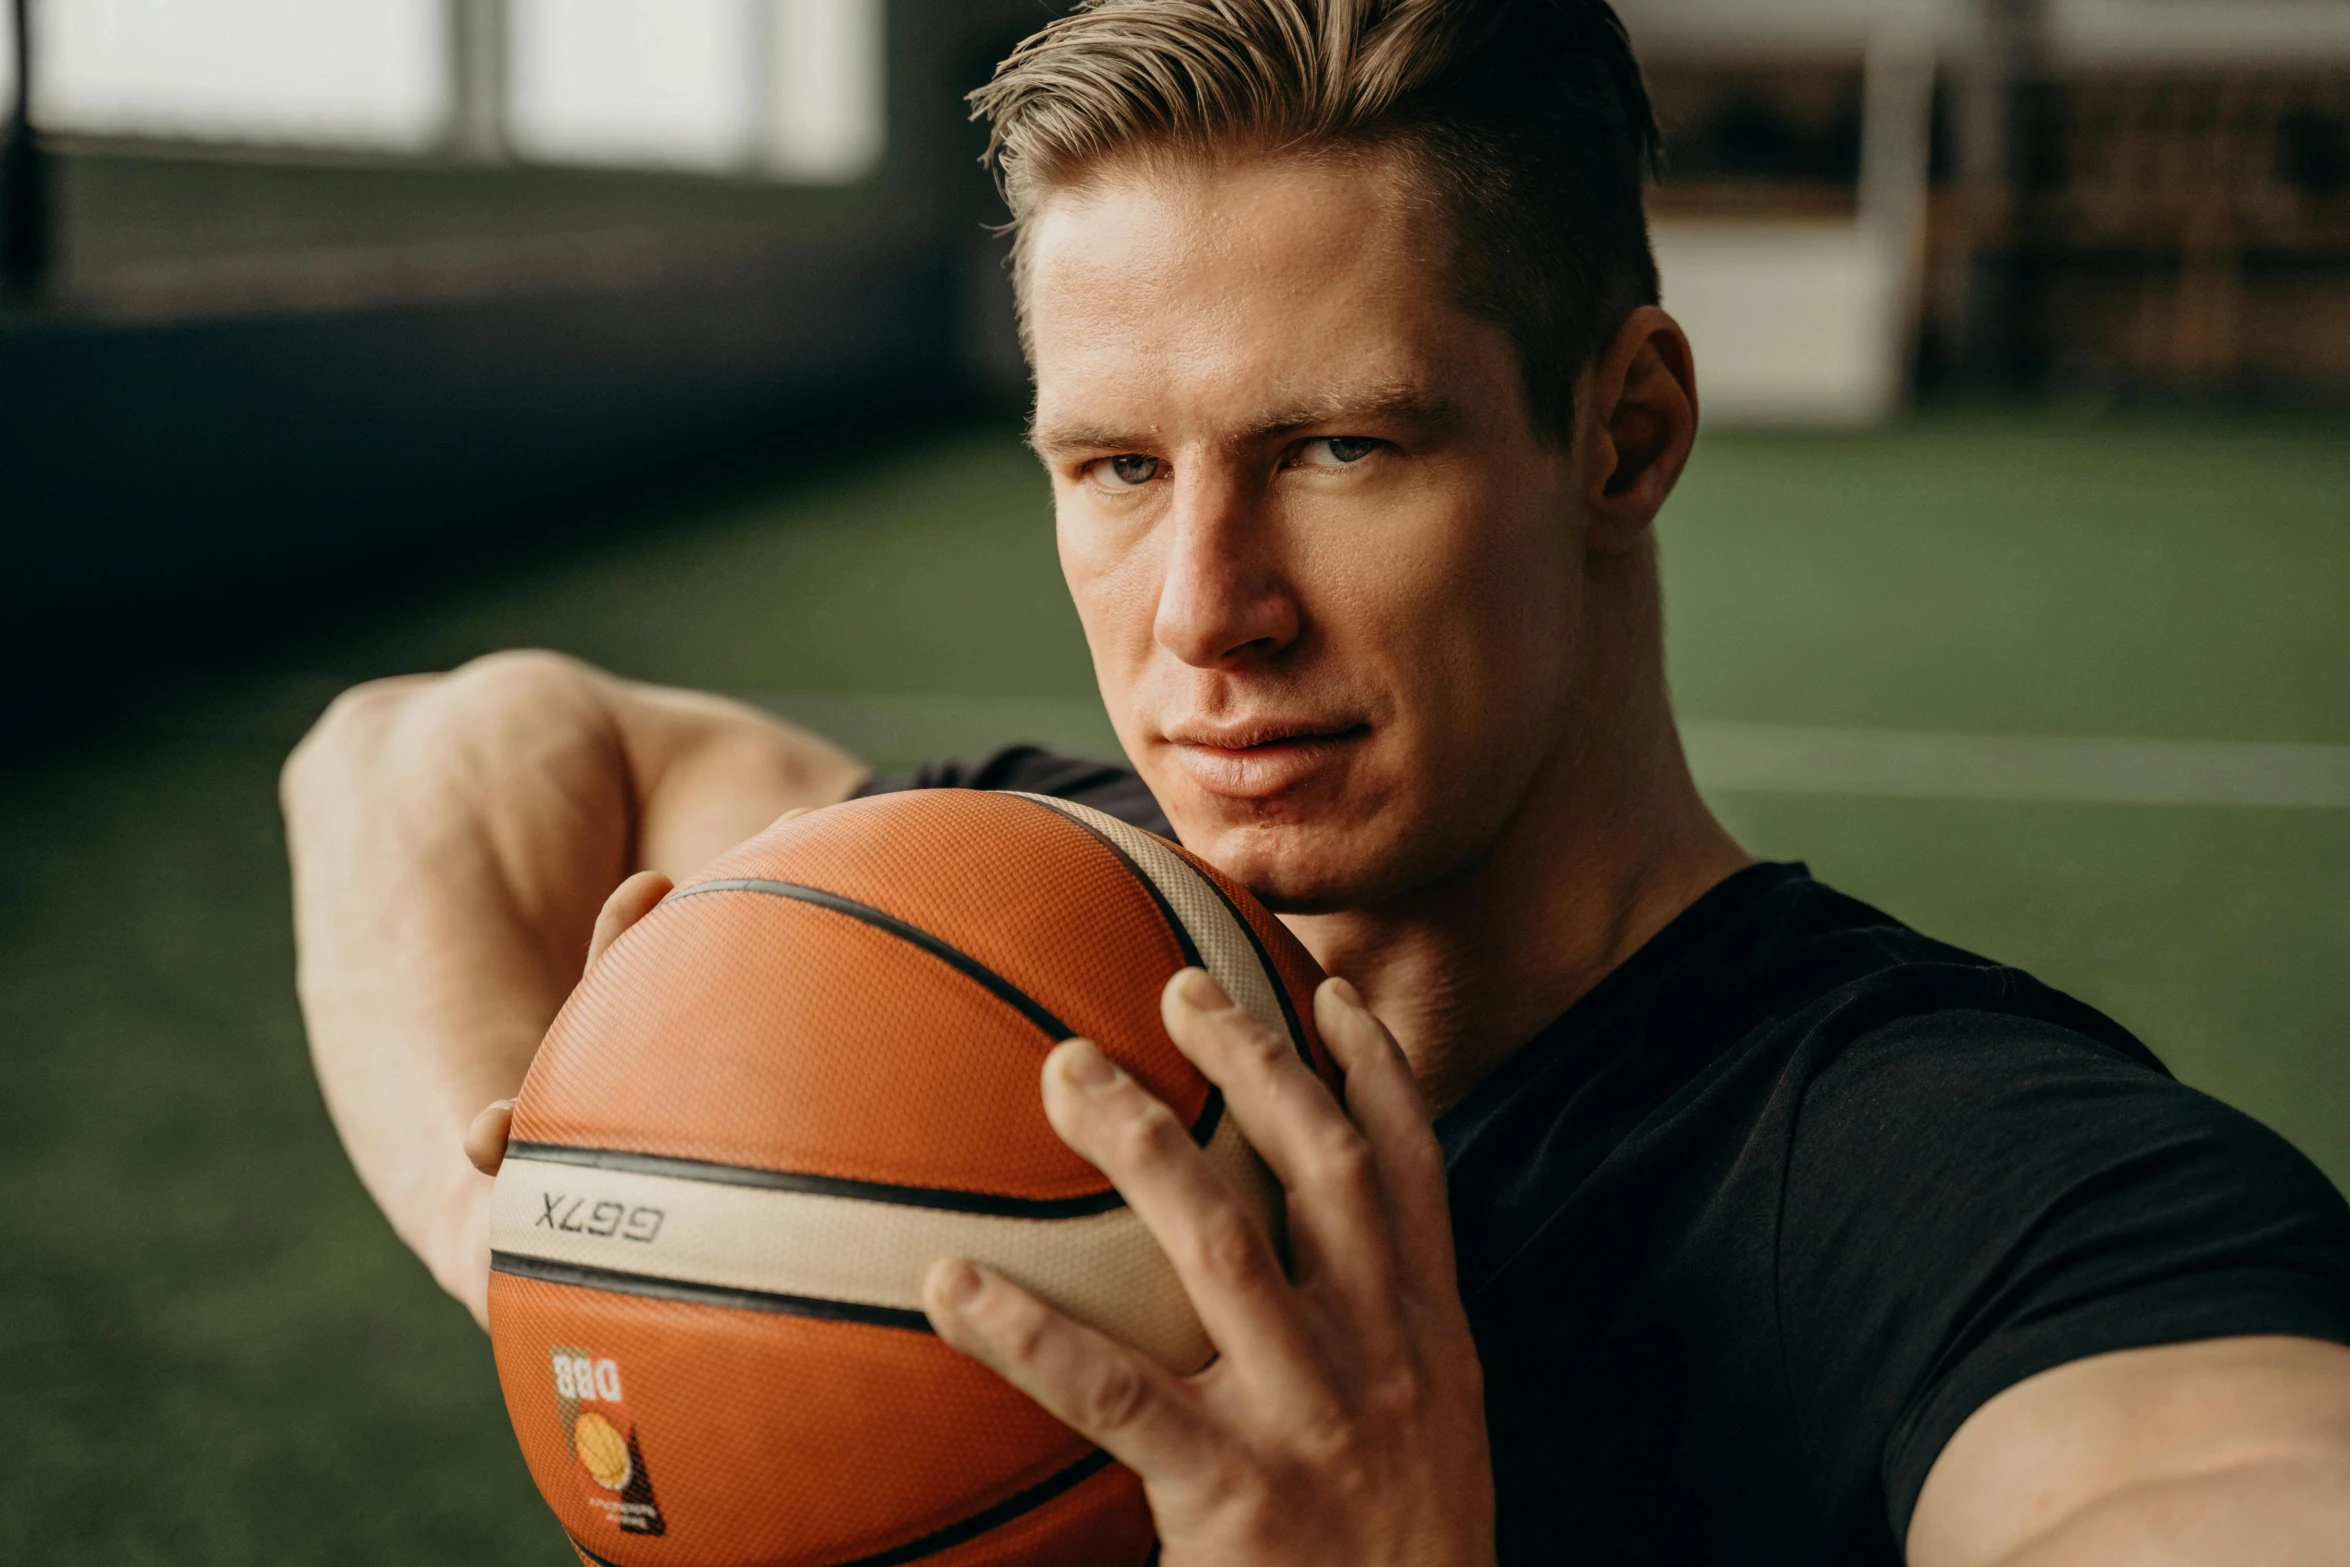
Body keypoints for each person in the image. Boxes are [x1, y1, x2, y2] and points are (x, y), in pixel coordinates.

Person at [281, 3, 2350, 1562]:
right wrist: (576, 1249)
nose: (1205, 613)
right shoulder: (992, 944)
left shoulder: (1977, 1194)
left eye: (1337, 449)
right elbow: (426, 757)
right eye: (1113, 468)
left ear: (1620, 436)